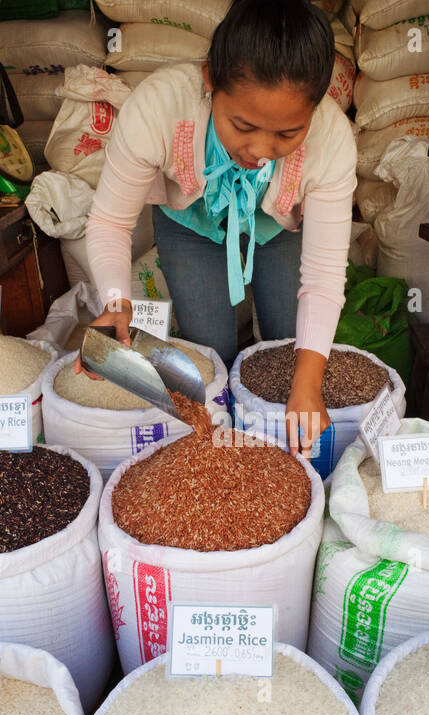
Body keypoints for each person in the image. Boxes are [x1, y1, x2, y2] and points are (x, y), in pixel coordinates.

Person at [79, 0, 355, 454]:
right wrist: (115, 301)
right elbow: (110, 220)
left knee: (292, 348)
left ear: (318, 106)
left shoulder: (332, 139)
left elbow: (324, 275)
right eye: (242, 125)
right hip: (191, 224)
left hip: (276, 228)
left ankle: (273, 444)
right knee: (209, 347)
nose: (262, 149)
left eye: (288, 134)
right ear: (210, 80)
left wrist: (308, 383)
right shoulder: (160, 107)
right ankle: (223, 446)